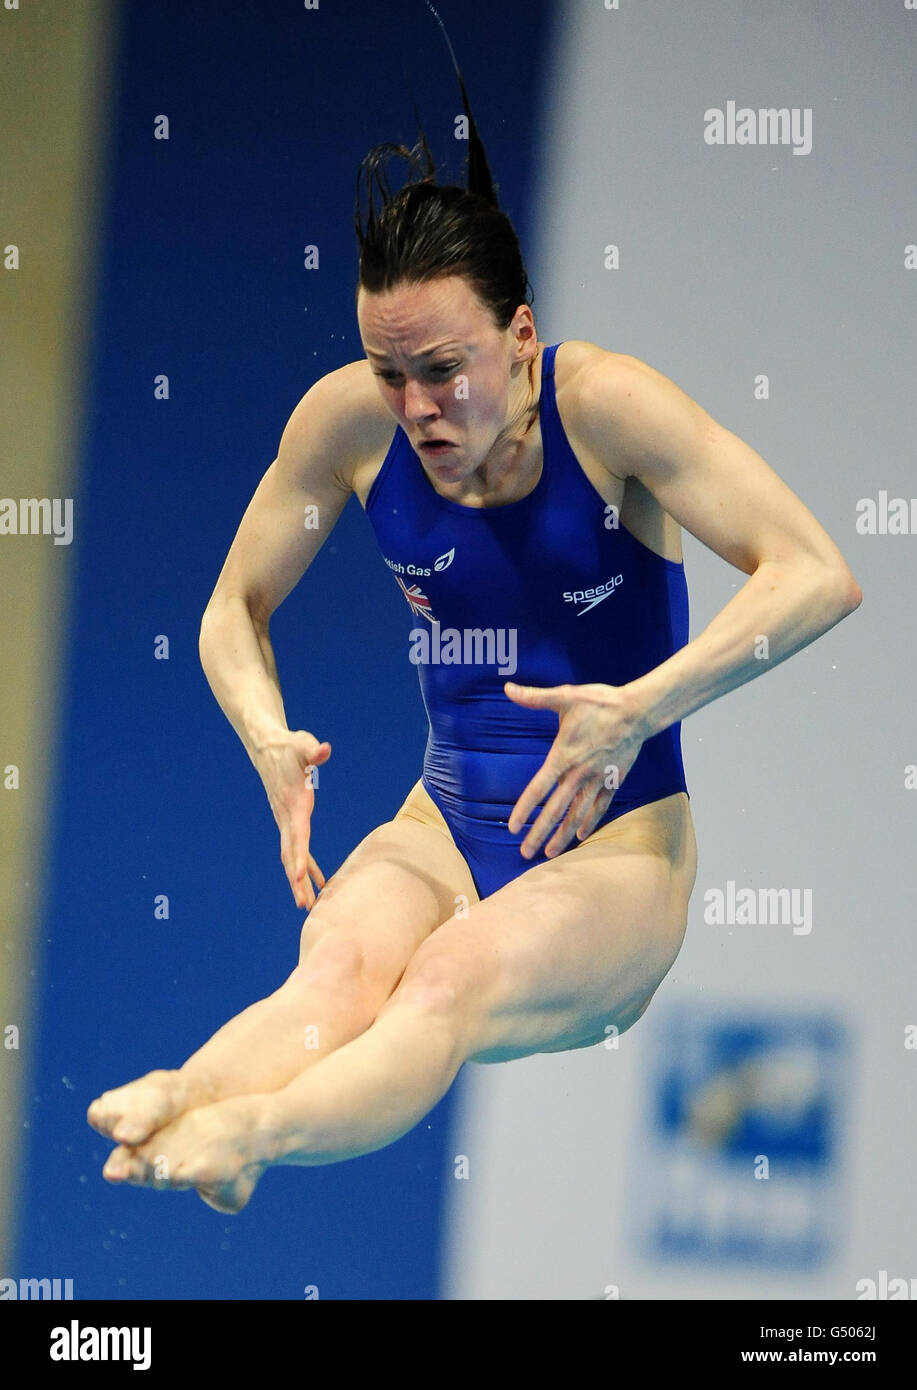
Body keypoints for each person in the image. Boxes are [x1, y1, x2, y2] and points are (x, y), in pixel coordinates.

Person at [87, 72, 862, 1217]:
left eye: (444, 371)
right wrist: (264, 737)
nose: (417, 409)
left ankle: (252, 1131)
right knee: (337, 971)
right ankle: (189, 1094)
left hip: (614, 858)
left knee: (442, 979)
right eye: (389, 374)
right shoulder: (346, 426)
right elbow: (229, 612)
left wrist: (640, 704)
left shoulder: (609, 410)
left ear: (521, 336)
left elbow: (815, 573)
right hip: (442, 817)